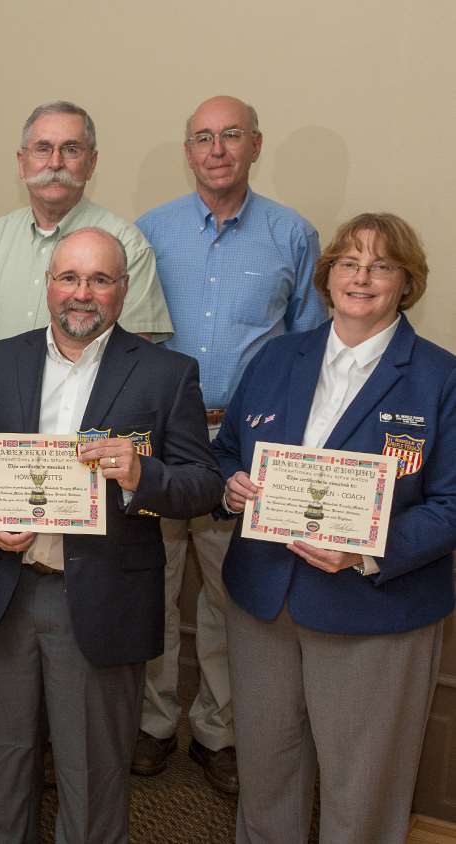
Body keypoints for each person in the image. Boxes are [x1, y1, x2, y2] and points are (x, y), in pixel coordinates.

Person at [0, 100, 175, 764]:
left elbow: (143, 351)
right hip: (4, 468)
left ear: (91, 161)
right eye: (42, 148)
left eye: (71, 149)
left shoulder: (123, 238)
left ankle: (96, 736)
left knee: (90, 675)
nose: (55, 162)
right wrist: (5, 385)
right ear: (22, 162)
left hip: (96, 497)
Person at [0, 228, 222, 842]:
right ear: (49, 284)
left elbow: (204, 484)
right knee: (6, 761)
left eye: (100, 280)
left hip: (101, 595)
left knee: (91, 772)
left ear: (124, 290)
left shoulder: (166, 373)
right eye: (70, 278)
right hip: (7, 588)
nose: (83, 294)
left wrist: (141, 475)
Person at [215, 213, 456, 844]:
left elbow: (452, 504)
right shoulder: (277, 357)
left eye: (381, 265)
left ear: (407, 282)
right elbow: (225, 452)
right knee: (266, 779)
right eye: (349, 262)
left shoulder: (440, 378)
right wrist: (231, 485)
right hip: (264, 603)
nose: (362, 277)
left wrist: (365, 551)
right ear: (328, 277)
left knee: (362, 792)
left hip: (374, 614)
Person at [131, 95, 326, 793]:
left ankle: (219, 731)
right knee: (150, 585)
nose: (217, 150)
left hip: (245, 450)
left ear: (255, 145)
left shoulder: (293, 235)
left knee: (227, 596)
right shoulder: (148, 232)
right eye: (203, 138)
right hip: (158, 445)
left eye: (231, 136)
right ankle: (153, 723)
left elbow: (310, 351)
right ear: (188, 151)